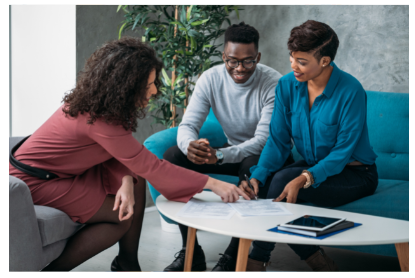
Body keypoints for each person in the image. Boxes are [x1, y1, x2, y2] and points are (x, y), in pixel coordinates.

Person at [8, 37, 250, 272]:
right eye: (148, 85)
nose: (155, 90)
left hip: (60, 172)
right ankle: (54, 272)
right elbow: (151, 166)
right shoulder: (99, 120)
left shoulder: (101, 105)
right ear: (126, 87)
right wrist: (213, 183)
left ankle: (127, 263)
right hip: (35, 181)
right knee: (122, 217)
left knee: (135, 178)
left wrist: (125, 178)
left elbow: (120, 154)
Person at [241, 20, 379, 271]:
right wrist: (258, 176)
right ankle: (317, 259)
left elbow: (341, 153)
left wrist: (304, 178)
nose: (293, 65)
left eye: (302, 61)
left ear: (325, 61)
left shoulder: (351, 91)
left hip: (354, 173)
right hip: (313, 164)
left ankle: (257, 258)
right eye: (292, 57)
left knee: (283, 182)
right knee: (266, 179)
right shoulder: (286, 85)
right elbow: (278, 140)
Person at [162, 22, 293, 272]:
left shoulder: (273, 82)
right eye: (232, 61)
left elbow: (263, 140)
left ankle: (234, 254)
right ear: (224, 56)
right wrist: (190, 146)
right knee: (171, 157)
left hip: (269, 157)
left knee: (251, 164)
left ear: (258, 57)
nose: (239, 68)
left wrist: (220, 156)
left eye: (248, 61)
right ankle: (191, 250)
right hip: (232, 151)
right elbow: (188, 123)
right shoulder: (211, 78)